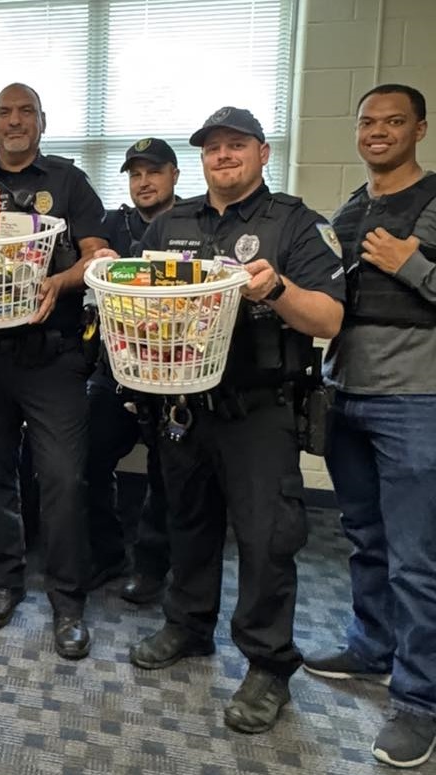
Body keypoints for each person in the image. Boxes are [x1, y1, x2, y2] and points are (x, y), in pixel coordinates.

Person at [121, 107, 345, 734]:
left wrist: (275, 290)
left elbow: (328, 320)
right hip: (184, 404)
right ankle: (188, 626)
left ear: (263, 153)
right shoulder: (171, 224)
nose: (223, 156)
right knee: (187, 522)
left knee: (266, 541)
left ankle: (269, 664)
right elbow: (137, 306)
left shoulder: (296, 225)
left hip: (260, 409)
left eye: (236, 145)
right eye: (212, 147)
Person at [0, 83, 108, 660]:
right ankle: (6, 582)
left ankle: (67, 602)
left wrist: (60, 282)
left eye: (25, 112)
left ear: (41, 121)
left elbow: (98, 254)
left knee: (62, 481)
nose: (15, 121)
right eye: (5, 112)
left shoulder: (68, 182)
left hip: (52, 357)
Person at [301, 84, 436, 768]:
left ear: (419, 128)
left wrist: (409, 263)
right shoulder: (351, 209)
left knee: (417, 557)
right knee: (365, 537)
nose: (378, 132)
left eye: (393, 122)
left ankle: (418, 700)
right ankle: (371, 646)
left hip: (414, 400)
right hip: (345, 393)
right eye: (368, 122)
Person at [87, 138, 179, 605]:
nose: (144, 182)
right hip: (115, 368)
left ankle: (151, 567)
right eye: (135, 174)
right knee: (86, 455)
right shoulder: (113, 222)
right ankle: (107, 554)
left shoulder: (189, 223)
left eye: (154, 172)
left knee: (167, 473)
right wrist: (97, 259)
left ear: (174, 175)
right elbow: (91, 257)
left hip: (173, 375)